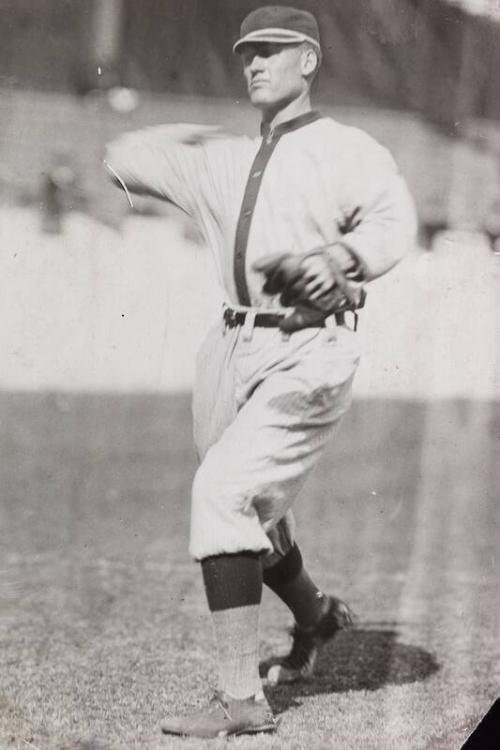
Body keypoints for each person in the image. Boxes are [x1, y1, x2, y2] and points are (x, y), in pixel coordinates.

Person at [105, 5, 416, 739]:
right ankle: (318, 618)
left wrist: (341, 260)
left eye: (272, 51)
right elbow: (121, 157)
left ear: (308, 60)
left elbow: (392, 219)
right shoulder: (226, 159)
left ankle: (239, 700)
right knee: (250, 510)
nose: (254, 63)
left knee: (222, 494)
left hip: (310, 345)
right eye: (247, 52)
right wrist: (199, 136)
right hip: (231, 345)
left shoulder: (346, 147)